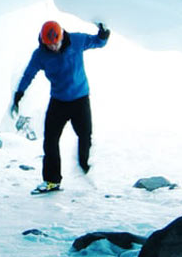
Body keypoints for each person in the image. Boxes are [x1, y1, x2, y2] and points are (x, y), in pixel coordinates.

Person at [12, 20, 110, 194]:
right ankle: (51, 181)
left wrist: (103, 35)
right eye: (49, 45)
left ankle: (85, 166)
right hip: (58, 101)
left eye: (56, 43)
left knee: (85, 135)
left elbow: (98, 42)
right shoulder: (40, 55)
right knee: (50, 140)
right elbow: (28, 74)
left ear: (62, 36)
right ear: (43, 41)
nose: (54, 47)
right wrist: (19, 93)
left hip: (80, 99)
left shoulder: (77, 40)